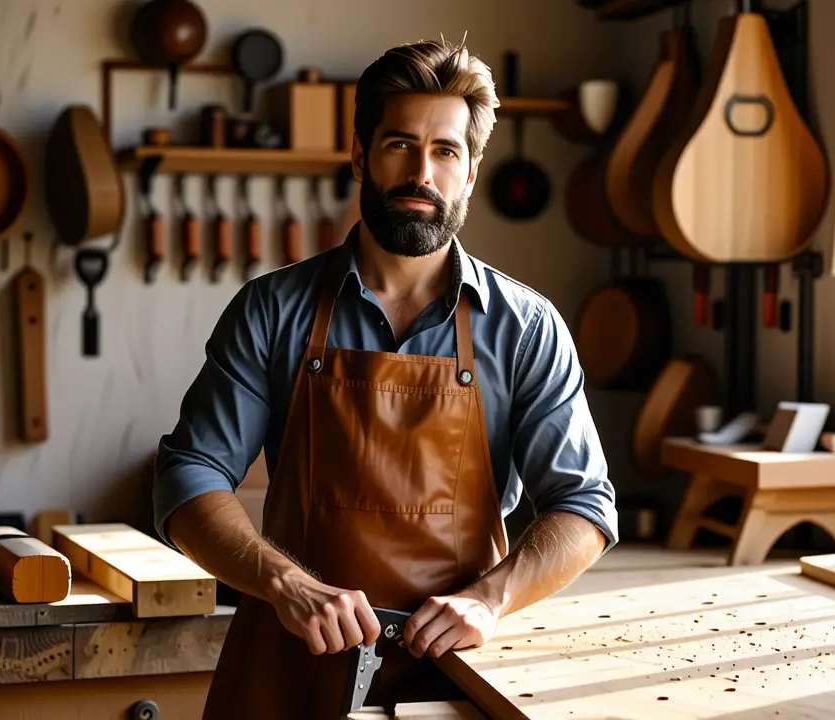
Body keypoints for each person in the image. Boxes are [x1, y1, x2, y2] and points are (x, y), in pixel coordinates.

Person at [153, 37, 619, 719]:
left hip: (454, 675)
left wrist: (490, 599)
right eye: (400, 145)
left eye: (445, 151)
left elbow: (584, 505)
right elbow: (187, 472)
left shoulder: (526, 327)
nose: (420, 172)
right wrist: (283, 582)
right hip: (291, 661)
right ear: (360, 154)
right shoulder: (271, 310)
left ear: (472, 168)